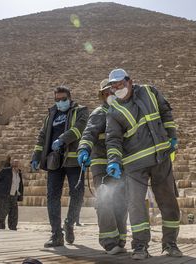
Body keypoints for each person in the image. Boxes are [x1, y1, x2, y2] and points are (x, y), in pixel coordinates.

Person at [105, 69, 182, 259]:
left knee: (169, 202)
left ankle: (170, 244)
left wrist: (172, 137)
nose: (117, 89)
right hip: (134, 165)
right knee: (136, 206)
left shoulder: (150, 92)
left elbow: (165, 112)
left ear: (130, 81)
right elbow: (113, 139)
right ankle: (140, 247)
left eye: (120, 84)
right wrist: (114, 161)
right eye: (113, 86)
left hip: (161, 158)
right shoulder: (114, 111)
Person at [31, 85, 88, 247]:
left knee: (77, 194)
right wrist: (36, 155)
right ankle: (56, 234)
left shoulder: (81, 110)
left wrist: (63, 139)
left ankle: (69, 223)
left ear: (70, 98)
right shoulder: (51, 115)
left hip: (73, 159)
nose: (60, 102)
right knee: (52, 196)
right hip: (54, 161)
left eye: (63, 99)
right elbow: (42, 135)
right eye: (57, 100)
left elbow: (80, 128)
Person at [77, 79, 127, 255]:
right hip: (101, 163)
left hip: (120, 163)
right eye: (105, 94)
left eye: (111, 92)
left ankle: (120, 240)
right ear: (102, 96)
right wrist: (83, 149)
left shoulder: (123, 111)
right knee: (105, 200)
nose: (109, 96)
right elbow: (89, 132)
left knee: (121, 202)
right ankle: (109, 242)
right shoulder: (100, 112)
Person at [0, 158, 24, 230]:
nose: (16, 164)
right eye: (15, 163)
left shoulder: (19, 173)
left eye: (17, 163)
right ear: (12, 164)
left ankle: (13, 228)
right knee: (2, 214)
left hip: (14, 196)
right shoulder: (5, 171)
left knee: (14, 214)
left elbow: (20, 185)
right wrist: (0, 190)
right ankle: (1, 229)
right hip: (4, 196)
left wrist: (19, 195)